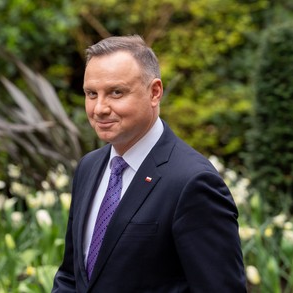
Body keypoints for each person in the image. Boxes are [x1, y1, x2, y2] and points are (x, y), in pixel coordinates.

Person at [52, 35, 246, 292]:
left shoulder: (192, 182)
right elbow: (70, 277)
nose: (99, 108)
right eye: (91, 94)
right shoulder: (88, 167)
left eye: (116, 92)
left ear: (154, 92)